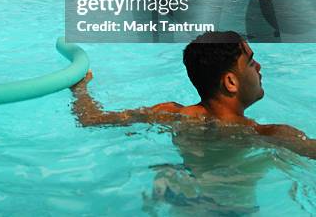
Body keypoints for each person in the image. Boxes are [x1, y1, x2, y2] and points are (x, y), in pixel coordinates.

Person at [70, 31, 316, 160]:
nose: (259, 67)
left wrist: (80, 87)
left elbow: (90, 119)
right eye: (251, 63)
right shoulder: (267, 134)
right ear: (230, 82)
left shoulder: (170, 114)